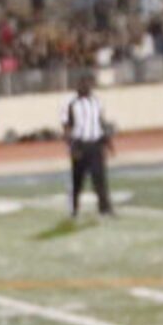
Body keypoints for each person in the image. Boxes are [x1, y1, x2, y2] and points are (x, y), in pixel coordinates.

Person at [62, 73, 115, 220]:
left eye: (89, 84)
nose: (86, 87)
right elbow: (66, 127)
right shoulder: (70, 103)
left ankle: (105, 208)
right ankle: (74, 209)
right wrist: (72, 147)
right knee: (77, 180)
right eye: (83, 84)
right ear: (78, 86)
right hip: (80, 144)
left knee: (100, 178)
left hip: (95, 144)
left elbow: (101, 121)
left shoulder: (97, 101)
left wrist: (108, 142)